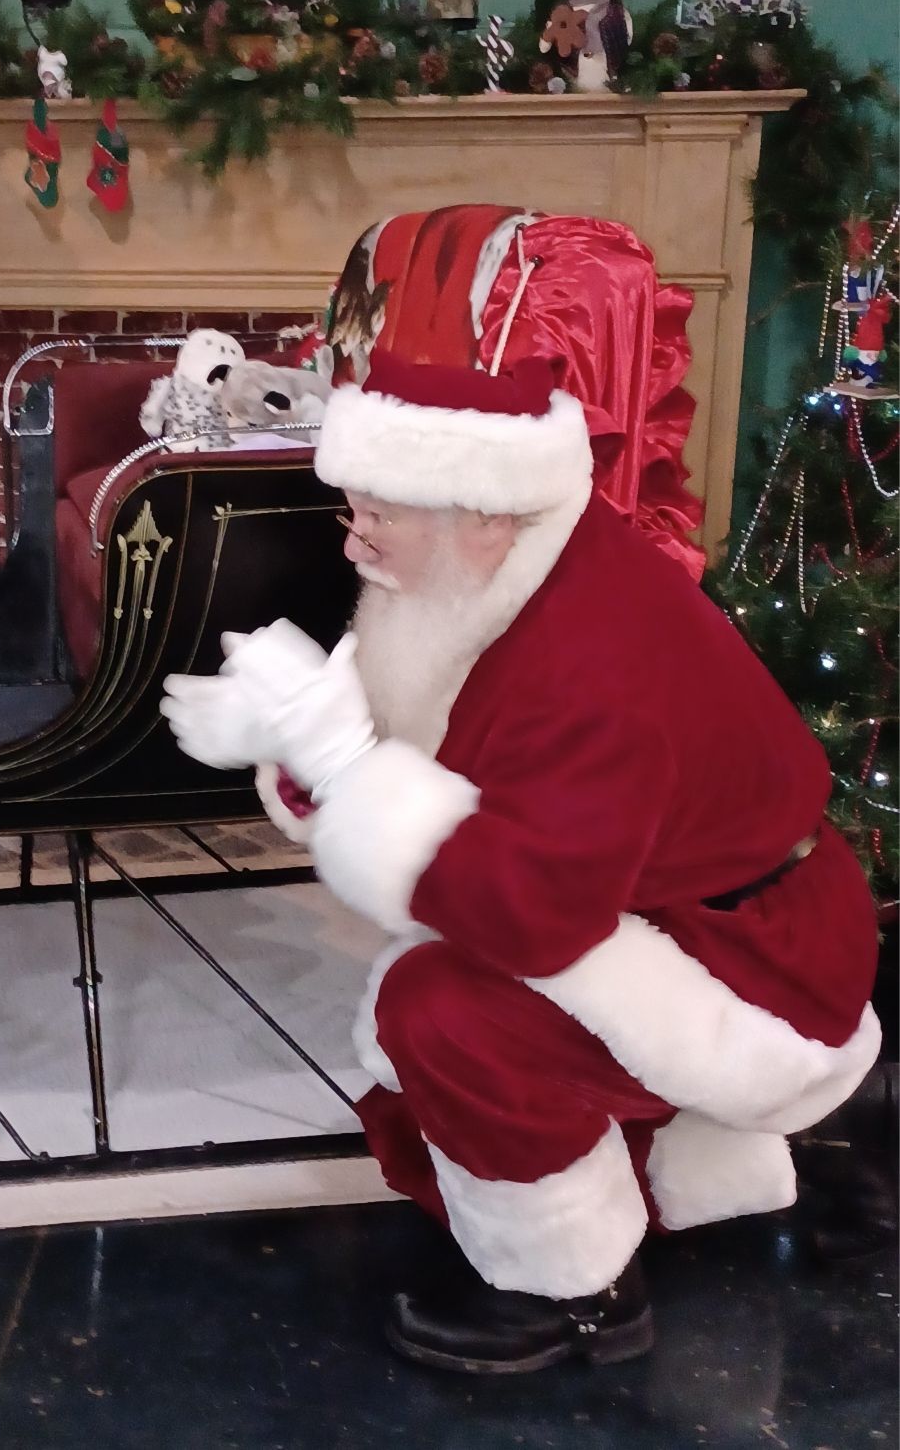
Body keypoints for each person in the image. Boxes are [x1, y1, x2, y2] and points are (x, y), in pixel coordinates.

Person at [161, 352, 880, 1375]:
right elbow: (433, 755)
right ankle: (670, 1172)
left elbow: (532, 915)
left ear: (484, 512)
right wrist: (294, 748)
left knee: (438, 1009)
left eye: (378, 515)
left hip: (759, 961)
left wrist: (338, 759)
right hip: (667, 907)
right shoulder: (492, 568)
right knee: (444, 995)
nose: (354, 538)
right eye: (352, 508)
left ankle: (574, 1288)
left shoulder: (593, 654)